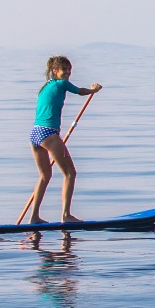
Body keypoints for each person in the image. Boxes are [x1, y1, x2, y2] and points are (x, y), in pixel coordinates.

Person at [27, 56, 101, 224]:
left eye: (69, 70)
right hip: (48, 133)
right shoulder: (61, 83)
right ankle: (66, 215)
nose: (68, 73)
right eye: (64, 70)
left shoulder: (45, 86)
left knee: (45, 176)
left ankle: (34, 217)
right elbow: (80, 91)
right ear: (55, 71)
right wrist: (93, 90)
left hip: (35, 134)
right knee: (70, 173)